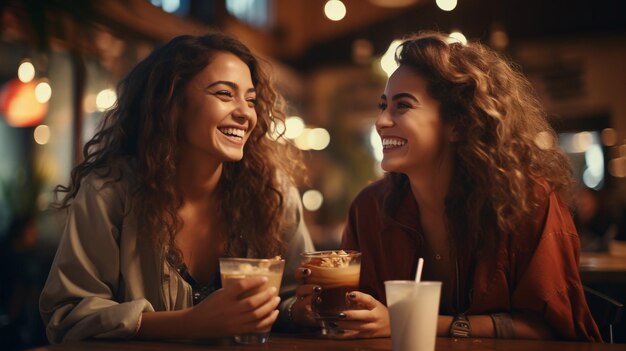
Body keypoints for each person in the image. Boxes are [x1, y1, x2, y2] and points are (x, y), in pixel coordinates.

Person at [291, 31, 601, 341]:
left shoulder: (529, 202)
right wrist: (314, 311)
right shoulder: (369, 209)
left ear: (458, 123)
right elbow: (358, 320)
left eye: (403, 106)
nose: (381, 121)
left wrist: (411, 322)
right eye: (383, 105)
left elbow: (556, 329)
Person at [39, 33, 314, 344]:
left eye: (250, 100)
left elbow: (292, 296)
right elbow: (70, 314)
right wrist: (189, 323)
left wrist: (302, 312)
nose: (245, 113)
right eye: (225, 94)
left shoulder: (271, 192)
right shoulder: (110, 191)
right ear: (172, 103)